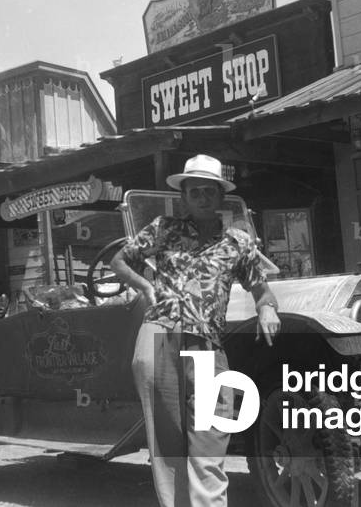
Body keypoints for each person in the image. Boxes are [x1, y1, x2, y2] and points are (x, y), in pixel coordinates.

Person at [110, 154, 281, 507]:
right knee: (168, 444)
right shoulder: (163, 229)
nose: (203, 197)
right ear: (184, 197)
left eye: (210, 191)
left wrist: (266, 309)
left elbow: (262, 291)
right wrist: (145, 287)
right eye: (195, 192)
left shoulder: (238, 243)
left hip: (207, 345)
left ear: (220, 196)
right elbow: (120, 261)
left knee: (209, 440)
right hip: (161, 334)